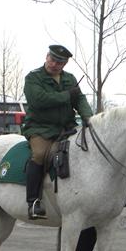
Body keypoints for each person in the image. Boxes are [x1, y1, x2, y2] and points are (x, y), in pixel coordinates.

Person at [22, 44, 92, 220]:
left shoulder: (69, 79)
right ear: (47, 57)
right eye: (52, 59)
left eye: (59, 62)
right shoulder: (33, 77)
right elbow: (39, 100)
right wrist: (67, 96)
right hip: (40, 128)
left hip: (67, 128)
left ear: (65, 64)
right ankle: (33, 202)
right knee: (39, 154)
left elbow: (80, 99)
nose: (54, 64)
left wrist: (89, 118)